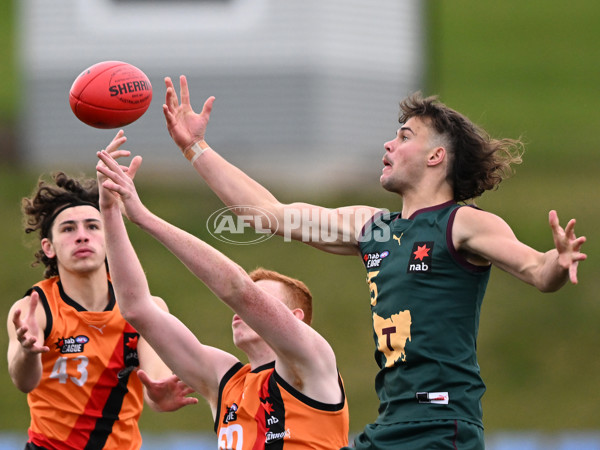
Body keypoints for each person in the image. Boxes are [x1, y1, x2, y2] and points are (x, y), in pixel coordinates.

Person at [160, 75, 587, 449]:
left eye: (404, 136)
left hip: (440, 425)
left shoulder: (462, 223)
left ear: (435, 157)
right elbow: (267, 213)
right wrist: (195, 148)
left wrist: (557, 260)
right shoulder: (372, 227)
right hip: (391, 426)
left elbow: (536, 270)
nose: (389, 143)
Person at [95, 133, 349, 449]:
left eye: (263, 301)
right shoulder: (223, 379)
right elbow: (137, 309)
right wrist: (109, 211)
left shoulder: (312, 361)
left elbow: (236, 288)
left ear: (296, 318)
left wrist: (145, 218)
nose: (242, 313)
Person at [6, 146, 198, 450]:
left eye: (93, 226)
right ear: (48, 247)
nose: (82, 235)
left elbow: (155, 383)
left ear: (108, 237)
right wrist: (28, 353)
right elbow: (23, 382)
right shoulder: (35, 308)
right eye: (68, 229)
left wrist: (160, 394)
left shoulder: (143, 308)